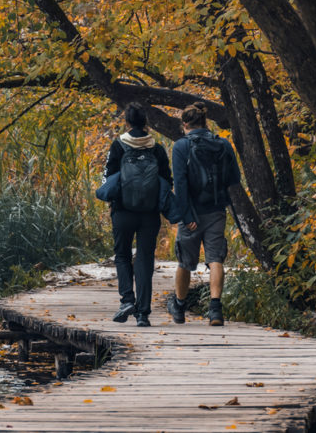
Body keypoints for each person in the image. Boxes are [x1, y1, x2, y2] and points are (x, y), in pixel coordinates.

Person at [167, 102, 240, 326]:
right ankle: (215, 310)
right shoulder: (223, 144)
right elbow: (234, 178)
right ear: (205, 122)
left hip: (191, 215)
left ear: (185, 124)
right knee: (215, 259)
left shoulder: (181, 147)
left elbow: (179, 184)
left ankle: (179, 306)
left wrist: (186, 216)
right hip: (216, 210)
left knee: (185, 262)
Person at [102, 103, 171, 327]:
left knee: (122, 255)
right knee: (145, 259)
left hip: (122, 211)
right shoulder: (157, 149)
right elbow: (166, 181)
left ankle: (127, 301)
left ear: (127, 122)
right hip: (149, 214)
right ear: (146, 123)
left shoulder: (118, 146)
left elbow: (110, 178)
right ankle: (143, 314)